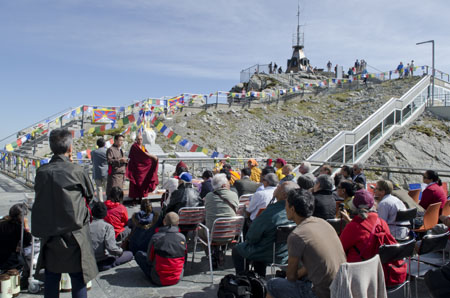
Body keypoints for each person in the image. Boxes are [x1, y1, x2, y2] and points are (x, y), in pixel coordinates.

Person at [32, 128, 97, 298]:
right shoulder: (77, 171)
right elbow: (89, 195)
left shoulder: (41, 172)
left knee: (51, 277)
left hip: (50, 233)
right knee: (78, 278)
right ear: (70, 149)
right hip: (75, 234)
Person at [266, 189, 346, 298]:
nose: (285, 209)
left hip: (319, 293)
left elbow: (291, 277)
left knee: (272, 284)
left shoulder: (296, 235)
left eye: (286, 206)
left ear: (292, 209)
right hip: (340, 288)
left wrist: (296, 274)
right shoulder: (324, 223)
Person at [232, 181, 297, 277]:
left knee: (237, 249)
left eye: (279, 187)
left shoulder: (271, 212)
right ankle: (259, 275)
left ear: (283, 194)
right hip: (285, 252)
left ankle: (243, 279)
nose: (276, 187)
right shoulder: (295, 210)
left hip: (268, 252)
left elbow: (252, 237)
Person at [135, 212, 186, 286]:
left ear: (164, 222)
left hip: (158, 279)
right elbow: (184, 259)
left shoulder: (156, 237)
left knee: (139, 255)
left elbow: (149, 260)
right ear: (178, 223)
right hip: (177, 278)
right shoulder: (182, 237)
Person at [202, 173, 239, 268]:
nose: (229, 184)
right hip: (231, 234)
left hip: (213, 235)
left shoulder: (208, 196)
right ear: (223, 185)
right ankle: (218, 251)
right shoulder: (234, 195)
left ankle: (211, 253)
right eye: (228, 183)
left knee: (200, 229)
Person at [89, 202, 133, 272]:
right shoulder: (107, 227)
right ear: (105, 214)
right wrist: (121, 251)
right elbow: (111, 248)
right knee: (129, 254)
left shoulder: (86, 225)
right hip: (101, 262)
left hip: (86, 262)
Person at [126, 134, 159, 203]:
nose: (140, 140)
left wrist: (153, 160)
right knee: (135, 184)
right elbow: (144, 154)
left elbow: (146, 156)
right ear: (136, 140)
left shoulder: (142, 147)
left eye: (141, 139)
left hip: (142, 169)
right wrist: (153, 156)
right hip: (135, 168)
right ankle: (134, 199)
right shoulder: (134, 146)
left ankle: (141, 198)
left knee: (142, 183)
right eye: (138, 139)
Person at [0, 204, 32, 271]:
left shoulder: (2, 222)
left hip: (3, 255)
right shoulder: (18, 227)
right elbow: (29, 240)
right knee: (26, 256)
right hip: (7, 259)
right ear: (21, 216)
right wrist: (25, 225)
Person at [106, 134, 127, 198]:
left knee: (119, 193)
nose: (121, 142)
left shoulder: (120, 150)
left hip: (121, 174)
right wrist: (119, 160)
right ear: (115, 140)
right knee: (113, 192)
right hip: (114, 175)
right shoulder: (111, 149)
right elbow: (109, 161)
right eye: (120, 140)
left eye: (122, 140)